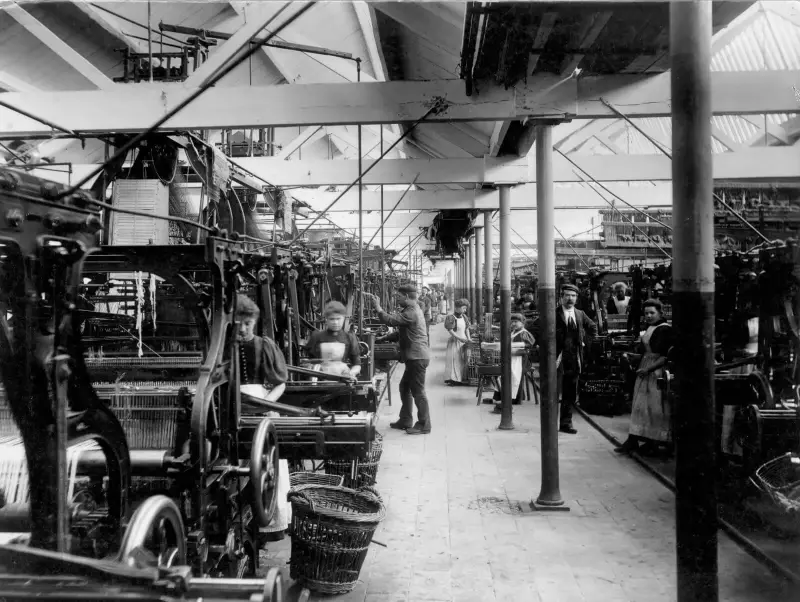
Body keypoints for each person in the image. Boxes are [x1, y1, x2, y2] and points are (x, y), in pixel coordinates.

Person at [366, 284, 431, 435]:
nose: (397, 299)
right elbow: (400, 331)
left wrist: (378, 307)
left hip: (417, 357)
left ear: (407, 297)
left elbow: (391, 321)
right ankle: (406, 420)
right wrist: (383, 338)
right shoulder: (411, 310)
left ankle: (424, 424)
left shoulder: (412, 312)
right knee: (404, 387)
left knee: (418, 391)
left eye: (399, 296)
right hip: (414, 356)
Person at [615, 299, 674, 456]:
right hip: (645, 368)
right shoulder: (650, 327)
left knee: (654, 407)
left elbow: (664, 356)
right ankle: (636, 440)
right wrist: (630, 356)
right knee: (641, 406)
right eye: (646, 313)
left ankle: (652, 442)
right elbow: (646, 353)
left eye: (652, 313)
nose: (648, 316)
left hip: (656, 372)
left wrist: (648, 369)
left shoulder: (665, 330)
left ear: (660, 313)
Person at [556, 283, 597, 434]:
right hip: (558, 357)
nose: (570, 298)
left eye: (573, 296)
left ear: (577, 298)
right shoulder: (554, 313)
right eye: (567, 295)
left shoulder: (580, 314)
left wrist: (585, 342)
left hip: (574, 358)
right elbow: (537, 328)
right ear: (561, 297)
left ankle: (566, 424)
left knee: (569, 391)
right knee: (553, 390)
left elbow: (592, 327)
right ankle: (548, 422)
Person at [236, 295, 288, 405]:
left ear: (254, 322)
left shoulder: (264, 345)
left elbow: (280, 384)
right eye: (238, 324)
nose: (242, 329)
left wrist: (266, 403)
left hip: (260, 401)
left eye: (247, 323)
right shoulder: (225, 347)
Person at [305, 301, 362, 381]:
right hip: (320, 380)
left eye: (338, 319)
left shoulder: (349, 337)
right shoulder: (317, 337)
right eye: (332, 319)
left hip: (343, 380)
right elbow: (309, 362)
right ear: (326, 319)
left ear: (343, 318)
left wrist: (351, 373)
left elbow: (357, 364)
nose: (335, 322)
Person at [491, 313, 536, 412]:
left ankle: (513, 399)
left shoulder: (524, 333)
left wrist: (516, 346)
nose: (514, 324)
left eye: (516, 322)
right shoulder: (513, 332)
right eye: (513, 322)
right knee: (502, 375)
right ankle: (501, 397)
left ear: (522, 323)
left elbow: (529, 344)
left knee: (513, 375)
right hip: (512, 357)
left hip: (521, 360)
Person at [444, 299, 471, 386]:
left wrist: (469, 338)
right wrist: (459, 338)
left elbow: (467, 328)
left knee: (462, 360)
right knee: (454, 360)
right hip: (455, 341)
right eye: (463, 308)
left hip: (463, 340)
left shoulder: (464, 317)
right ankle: (453, 379)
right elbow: (450, 330)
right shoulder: (451, 317)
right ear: (456, 308)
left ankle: (461, 378)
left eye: (465, 309)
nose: (465, 310)